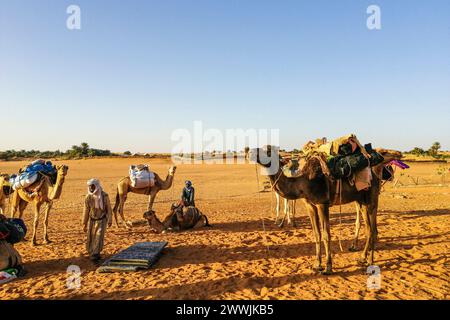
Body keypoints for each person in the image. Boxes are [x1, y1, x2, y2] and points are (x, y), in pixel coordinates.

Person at [82, 179, 112, 263]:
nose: (91, 188)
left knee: (99, 236)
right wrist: (84, 223)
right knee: (91, 236)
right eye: (89, 186)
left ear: (96, 186)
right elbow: (86, 210)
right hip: (92, 220)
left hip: (102, 220)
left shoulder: (104, 196)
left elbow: (108, 209)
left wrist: (109, 219)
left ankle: (95, 254)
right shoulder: (88, 197)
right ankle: (92, 252)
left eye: (92, 186)